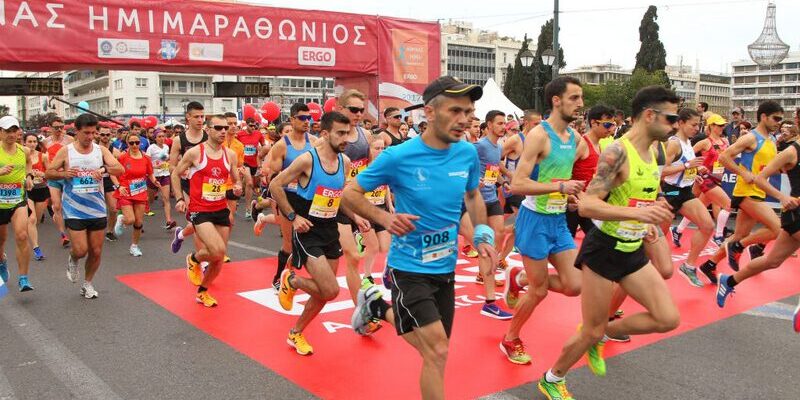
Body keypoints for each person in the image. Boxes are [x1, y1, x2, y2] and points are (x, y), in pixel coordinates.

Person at [345, 76, 494, 399]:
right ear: (429, 111)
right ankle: (378, 306)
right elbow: (351, 194)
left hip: (445, 268)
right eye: (455, 110)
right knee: (437, 350)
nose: (464, 119)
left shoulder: (467, 154)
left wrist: (482, 233)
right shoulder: (398, 157)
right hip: (409, 269)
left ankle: (375, 308)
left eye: (468, 112)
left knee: (435, 351)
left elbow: (472, 197)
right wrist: (385, 217)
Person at [537, 86, 681, 399]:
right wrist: (637, 214)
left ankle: (604, 335)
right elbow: (587, 205)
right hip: (603, 250)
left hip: (632, 248)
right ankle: (553, 377)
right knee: (590, 329)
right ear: (649, 115)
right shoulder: (617, 152)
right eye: (671, 118)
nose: (675, 124)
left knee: (667, 318)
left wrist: (651, 211)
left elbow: (645, 191)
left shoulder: (657, 150)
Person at [500, 77, 585, 365]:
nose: (580, 104)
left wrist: (571, 196)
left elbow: (562, 177)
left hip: (558, 219)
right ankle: (510, 338)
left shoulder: (574, 138)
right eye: (574, 98)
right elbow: (519, 185)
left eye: (581, 98)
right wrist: (561, 188)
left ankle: (518, 277)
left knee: (575, 284)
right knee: (539, 291)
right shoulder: (540, 135)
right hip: (534, 219)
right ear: (556, 100)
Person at [270, 111, 352, 356]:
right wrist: (293, 217)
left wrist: (358, 217)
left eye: (347, 133)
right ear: (325, 134)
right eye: (340, 133)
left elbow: (339, 197)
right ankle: (291, 280)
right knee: (330, 290)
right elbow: (275, 184)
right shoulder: (308, 160)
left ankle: (296, 333)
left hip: (330, 230)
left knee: (323, 292)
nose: (345, 138)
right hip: (308, 231)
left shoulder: (345, 162)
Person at [698, 101, 784, 281]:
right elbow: (724, 157)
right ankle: (744, 247)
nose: (778, 122)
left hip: (758, 192)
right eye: (776, 118)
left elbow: (768, 169)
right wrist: (743, 173)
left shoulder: (771, 142)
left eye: (781, 120)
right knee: (778, 228)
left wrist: (784, 168)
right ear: (763, 117)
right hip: (746, 193)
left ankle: (710, 265)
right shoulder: (751, 138)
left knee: (739, 234)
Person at [716, 133, 800, 311]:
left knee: (772, 261)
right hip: (795, 212)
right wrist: (781, 196)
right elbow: (760, 178)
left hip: (785, 210)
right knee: (748, 234)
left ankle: (728, 281)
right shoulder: (791, 152)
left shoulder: (775, 144)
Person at [45, 113, 124, 299]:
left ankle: (87, 284)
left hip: (97, 208)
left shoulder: (100, 151)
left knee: (96, 251)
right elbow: (48, 173)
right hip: (74, 209)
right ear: (77, 132)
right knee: (81, 250)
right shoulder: (66, 151)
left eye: (93, 133)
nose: (90, 137)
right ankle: (73, 258)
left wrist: (103, 170)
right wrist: (64, 174)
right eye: (86, 133)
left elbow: (119, 169)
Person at [171, 114, 242, 307]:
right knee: (217, 250)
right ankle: (194, 258)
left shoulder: (230, 154)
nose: (223, 131)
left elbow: (236, 180)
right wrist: (179, 198)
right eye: (218, 128)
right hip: (199, 209)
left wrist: (238, 187)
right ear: (208, 130)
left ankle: (202, 290)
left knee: (218, 259)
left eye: (225, 128)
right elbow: (175, 174)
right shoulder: (195, 153)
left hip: (220, 208)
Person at [661, 108, 715, 287]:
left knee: (707, 226)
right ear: (681, 123)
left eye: (698, 124)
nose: (696, 128)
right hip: (670, 192)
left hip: (684, 192)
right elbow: (660, 172)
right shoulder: (673, 143)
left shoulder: (688, 144)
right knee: (656, 237)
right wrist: (686, 166)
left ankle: (689, 266)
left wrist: (695, 172)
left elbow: (685, 167)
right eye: (693, 124)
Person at [472, 109, 513, 319]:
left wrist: (503, 180)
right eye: (499, 123)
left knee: (499, 233)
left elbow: (493, 170)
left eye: (504, 122)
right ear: (488, 125)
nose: (503, 126)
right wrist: (472, 181)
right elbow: (466, 165)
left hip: (492, 198)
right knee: (484, 244)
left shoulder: (498, 147)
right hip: (477, 202)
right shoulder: (479, 146)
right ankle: (488, 295)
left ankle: (486, 269)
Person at [673, 114, 732, 247]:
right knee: (728, 204)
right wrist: (699, 167)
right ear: (711, 126)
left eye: (723, 125)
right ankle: (718, 235)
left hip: (718, 178)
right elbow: (687, 155)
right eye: (719, 125)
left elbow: (727, 159)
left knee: (700, 205)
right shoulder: (705, 142)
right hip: (705, 178)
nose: (722, 127)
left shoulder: (725, 142)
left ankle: (678, 230)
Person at [567, 104, 616, 237]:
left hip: (588, 203)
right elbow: (564, 169)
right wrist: (570, 196)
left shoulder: (599, 145)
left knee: (598, 242)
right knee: (565, 247)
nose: (611, 129)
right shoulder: (583, 144)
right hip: (574, 204)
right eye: (607, 125)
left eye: (613, 125)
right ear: (594, 123)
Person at [0, 116, 34, 291]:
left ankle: (23, 278)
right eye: (7, 131)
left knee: (22, 235)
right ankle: (2, 261)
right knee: (1, 240)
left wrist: (29, 177)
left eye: (14, 131)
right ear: (0, 132)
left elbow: (29, 164)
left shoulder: (24, 151)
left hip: (18, 200)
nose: (11, 134)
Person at [169, 101, 208, 253]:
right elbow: (172, 167)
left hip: (207, 186)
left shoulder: (208, 136)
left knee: (203, 223)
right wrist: (182, 170)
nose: (200, 120)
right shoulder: (179, 140)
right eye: (196, 116)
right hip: (188, 187)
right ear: (188, 118)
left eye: (202, 116)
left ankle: (180, 234)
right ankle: (201, 261)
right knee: (198, 223)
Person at [112, 132, 159, 256]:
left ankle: (134, 246)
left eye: (137, 142)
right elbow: (112, 172)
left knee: (138, 222)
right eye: (131, 143)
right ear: (127, 143)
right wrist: (118, 185)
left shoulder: (145, 158)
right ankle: (122, 219)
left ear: (140, 143)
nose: (134, 145)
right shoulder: (123, 157)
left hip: (140, 192)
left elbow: (150, 173)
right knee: (130, 219)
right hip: (126, 191)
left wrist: (154, 181)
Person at [44, 116, 72, 248]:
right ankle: (63, 235)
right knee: (57, 206)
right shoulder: (45, 143)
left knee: (68, 205)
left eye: (61, 127)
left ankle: (68, 224)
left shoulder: (70, 140)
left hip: (67, 176)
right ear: (50, 128)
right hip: (54, 177)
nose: (59, 130)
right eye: (56, 127)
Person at [24, 133, 48, 261]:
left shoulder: (43, 156)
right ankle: (36, 248)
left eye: (34, 142)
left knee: (37, 220)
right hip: (28, 190)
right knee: (32, 219)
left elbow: (50, 174)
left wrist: (41, 173)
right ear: (25, 143)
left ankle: (31, 235)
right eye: (29, 141)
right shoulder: (21, 156)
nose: (32, 144)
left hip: (41, 189)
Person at [145, 129, 175, 229]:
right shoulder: (151, 148)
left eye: (163, 136)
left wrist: (168, 163)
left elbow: (167, 159)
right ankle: (140, 219)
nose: (162, 138)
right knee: (150, 200)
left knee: (166, 199)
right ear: (155, 138)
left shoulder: (166, 147)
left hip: (164, 175)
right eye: (159, 137)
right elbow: (147, 163)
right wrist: (155, 167)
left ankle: (168, 221)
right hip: (153, 177)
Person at [95, 124, 121, 241]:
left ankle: (109, 231)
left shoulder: (115, 151)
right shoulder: (94, 149)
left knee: (114, 209)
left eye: (107, 134)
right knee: (96, 209)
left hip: (109, 180)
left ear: (111, 135)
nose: (105, 137)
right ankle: (93, 231)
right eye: (102, 134)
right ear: (98, 135)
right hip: (95, 181)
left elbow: (121, 167)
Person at [237, 117, 265, 219]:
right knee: (249, 183)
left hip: (255, 163)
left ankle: (237, 196)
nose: (253, 127)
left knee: (250, 184)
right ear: (246, 125)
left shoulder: (258, 134)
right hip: (244, 162)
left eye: (255, 126)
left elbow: (264, 147)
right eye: (251, 125)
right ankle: (248, 209)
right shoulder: (240, 134)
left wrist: (261, 151)